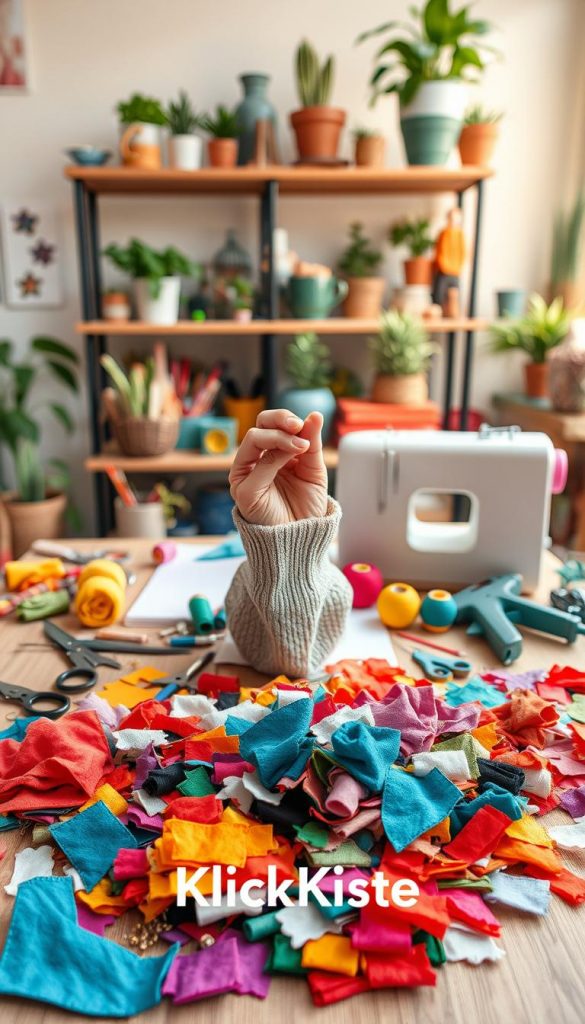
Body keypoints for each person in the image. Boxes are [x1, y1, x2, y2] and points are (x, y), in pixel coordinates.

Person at [225, 408, 352, 678]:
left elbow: (296, 664)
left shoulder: (245, 588)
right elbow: (292, 667)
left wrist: (296, 532)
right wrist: (281, 535)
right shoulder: (336, 589)